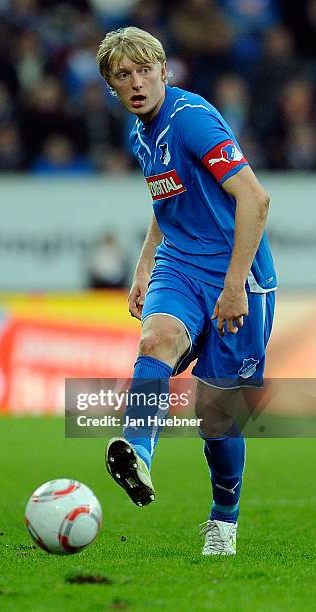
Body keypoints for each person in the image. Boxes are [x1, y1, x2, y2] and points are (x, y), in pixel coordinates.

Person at [96, 27, 277, 555]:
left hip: (236, 275)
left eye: (144, 70)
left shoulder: (190, 119)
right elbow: (166, 202)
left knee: (216, 419)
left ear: (163, 70)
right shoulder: (141, 133)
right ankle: (139, 456)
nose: (136, 82)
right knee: (155, 341)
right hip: (179, 264)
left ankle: (224, 521)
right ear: (111, 87)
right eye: (123, 75)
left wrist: (236, 284)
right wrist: (144, 265)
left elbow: (255, 199)